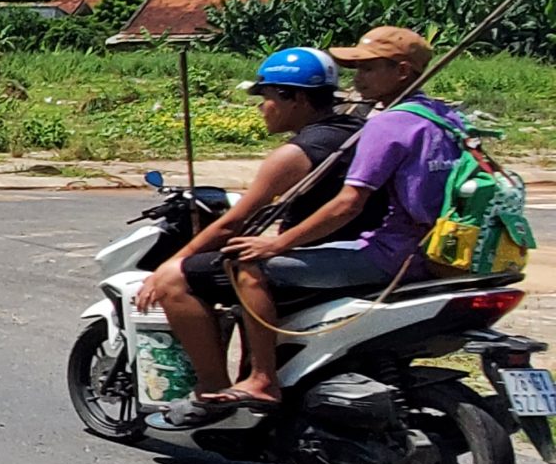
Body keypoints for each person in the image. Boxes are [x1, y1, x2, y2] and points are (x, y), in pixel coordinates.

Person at [202, 25, 467, 412]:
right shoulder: (446, 118)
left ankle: (261, 380)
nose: (356, 78)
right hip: (442, 252)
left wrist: (275, 243)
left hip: (392, 256)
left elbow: (348, 205)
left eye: (368, 68)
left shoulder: (387, 123)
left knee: (246, 266)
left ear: (404, 72)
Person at [138, 48, 356, 407]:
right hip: (348, 251)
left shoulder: (295, 154)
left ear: (296, 97)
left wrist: (171, 262)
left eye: (267, 97)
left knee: (177, 279)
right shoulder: (355, 131)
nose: (261, 107)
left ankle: (213, 389)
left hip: (321, 258)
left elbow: (233, 224)